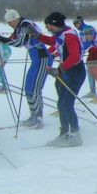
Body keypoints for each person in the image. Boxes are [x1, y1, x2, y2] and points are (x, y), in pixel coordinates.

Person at [0, 9, 53, 129]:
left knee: (35, 88)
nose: (9, 24)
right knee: (28, 87)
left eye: (10, 22)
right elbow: (12, 40)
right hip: (36, 59)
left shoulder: (25, 25)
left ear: (15, 19)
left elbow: (18, 43)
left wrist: (0, 38)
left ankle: (38, 117)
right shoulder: (19, 27)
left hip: (42, 58)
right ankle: (33, 115)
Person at [35, 12, 86, 147]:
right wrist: (39, 37)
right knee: (61, 103)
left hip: (75, 72)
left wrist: (60, 69)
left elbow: (75, 57)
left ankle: (75, 135)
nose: (48, 29)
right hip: (66, 71)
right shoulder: (61, 34)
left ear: (56, 24)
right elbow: (53, 41)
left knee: (66, 104)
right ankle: (64, 133)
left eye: (49, 26)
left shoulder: (69, 36)